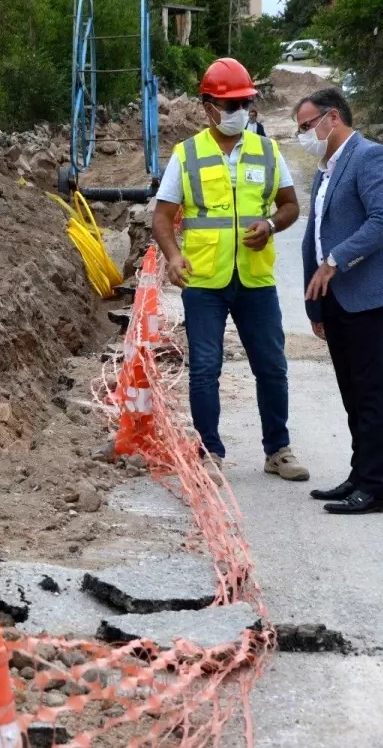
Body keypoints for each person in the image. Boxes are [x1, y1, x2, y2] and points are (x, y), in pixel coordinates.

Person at [152, 58, 309, 482]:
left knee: (272, 365)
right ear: (208, 107)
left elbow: (291, 204)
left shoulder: (267, 150)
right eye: (230, 103)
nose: (239, 110)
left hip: (255, 278)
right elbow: (163, 217)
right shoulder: (187, 155)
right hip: (205, 280)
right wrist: (172, 256)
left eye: (244, 102)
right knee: (205, 367)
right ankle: (209, 452)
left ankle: (278, 450)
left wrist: (272, 224)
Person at [296, 88, 383, 515]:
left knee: (371, 391)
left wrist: (335, 261)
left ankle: (378, 486)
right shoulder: (325, 169)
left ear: (332, 118)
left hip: (373, 297)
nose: (303, 134)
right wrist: (314, 303)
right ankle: (360, 474)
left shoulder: (371, 156)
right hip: (335, 299)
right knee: (352, 392)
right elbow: (315, 236)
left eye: (306, 125)